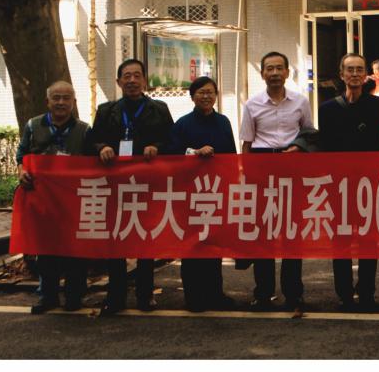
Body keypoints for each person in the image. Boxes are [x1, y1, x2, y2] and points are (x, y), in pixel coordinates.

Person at [88, 58, 174, 315]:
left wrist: (157, 147)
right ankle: (115, 296)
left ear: (145, 80)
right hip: (115, 185)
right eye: (127, 76)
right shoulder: (106, 111)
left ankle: (145, 295)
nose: (132, 80)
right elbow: (92, 140)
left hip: (147, 185)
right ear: (118, 81)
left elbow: (172, 141)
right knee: (116, 240)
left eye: (137, 76)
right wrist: (102, 147)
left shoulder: (159, 109)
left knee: (145, 240)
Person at [240, 51, 313, 312]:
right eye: (269, 69)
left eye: (279, 68)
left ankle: (294, 293)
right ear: (262, 74)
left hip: (292, 166)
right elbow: (247, 143)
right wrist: (247, 178)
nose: (274, 73)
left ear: (287, 72)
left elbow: (308, 133)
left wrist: (299, 148)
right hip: (262, 166)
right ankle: (263, 292)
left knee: (292, 232)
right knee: (263, 233)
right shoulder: (252, 104)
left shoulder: (301, 101)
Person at [318, 53, 379, 311]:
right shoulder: (327, 109)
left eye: (360, 69)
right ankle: (344, 293)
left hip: (370, 184)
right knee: (341, 240)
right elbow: (324, 147)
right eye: (350, 70)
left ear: (366, 75)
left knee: (369, 240)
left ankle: (367, 292)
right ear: (342, 75)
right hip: (338, 185)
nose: (355, 74)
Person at [16, 81, 91, 314]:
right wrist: (22, 171)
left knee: (74, 249)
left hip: (73, 200)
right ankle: (48, 296)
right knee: (45, 249)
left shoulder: (84, 130)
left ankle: (74, 295)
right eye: (56, 98)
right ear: (47, 101)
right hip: (43, 199)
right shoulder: (33, 126)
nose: (61, 102)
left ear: (73, 102)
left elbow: (91, 163)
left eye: (66, 98)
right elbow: (21, 155)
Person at [168, 76, 237, 312]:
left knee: (214, 245)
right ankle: (194, 297)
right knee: (191, 246)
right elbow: (172, 153)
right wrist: (194, 152)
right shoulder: (183, 124)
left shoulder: (223, 122)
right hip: (190, 194)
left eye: (210, 92)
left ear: (216, 95)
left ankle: (215, 294)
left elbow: (231, 155)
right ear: (192, 96)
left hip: (216, 192)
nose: (206, 96)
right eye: (201, 92)